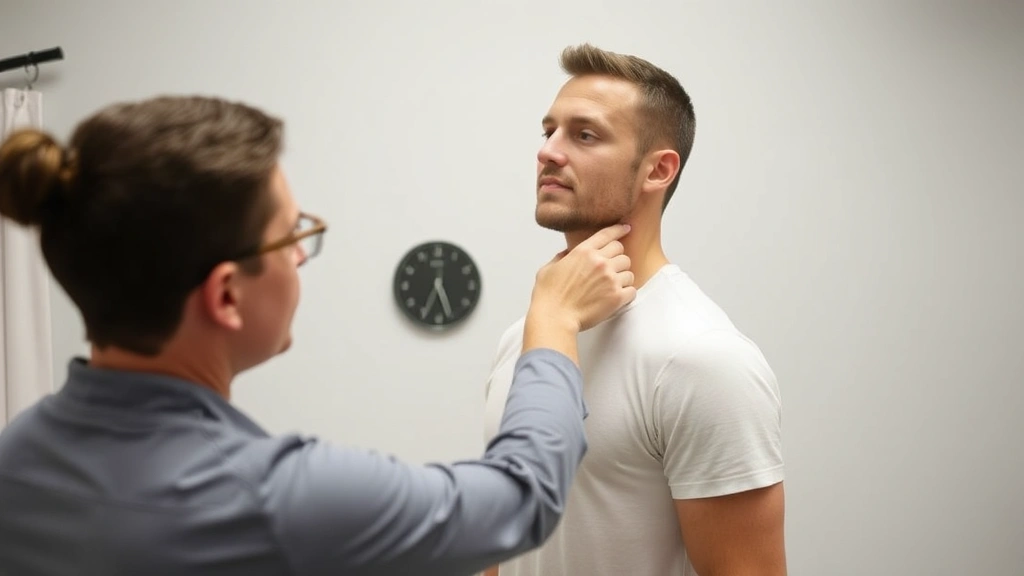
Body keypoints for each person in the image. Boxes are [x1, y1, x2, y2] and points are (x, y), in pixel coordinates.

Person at [0, 95, 638, 575]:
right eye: (292, 236)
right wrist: (552, 322)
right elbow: (521, 500)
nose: (302, 257)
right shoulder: (272, 497)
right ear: (226, 294)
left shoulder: (18, 458)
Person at [482, 44, 786, 576]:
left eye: (584, 134)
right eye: (548, 130)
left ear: (658, 170)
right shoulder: (528, 335)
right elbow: (503, 543)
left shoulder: (703, 359)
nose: (548, 151)